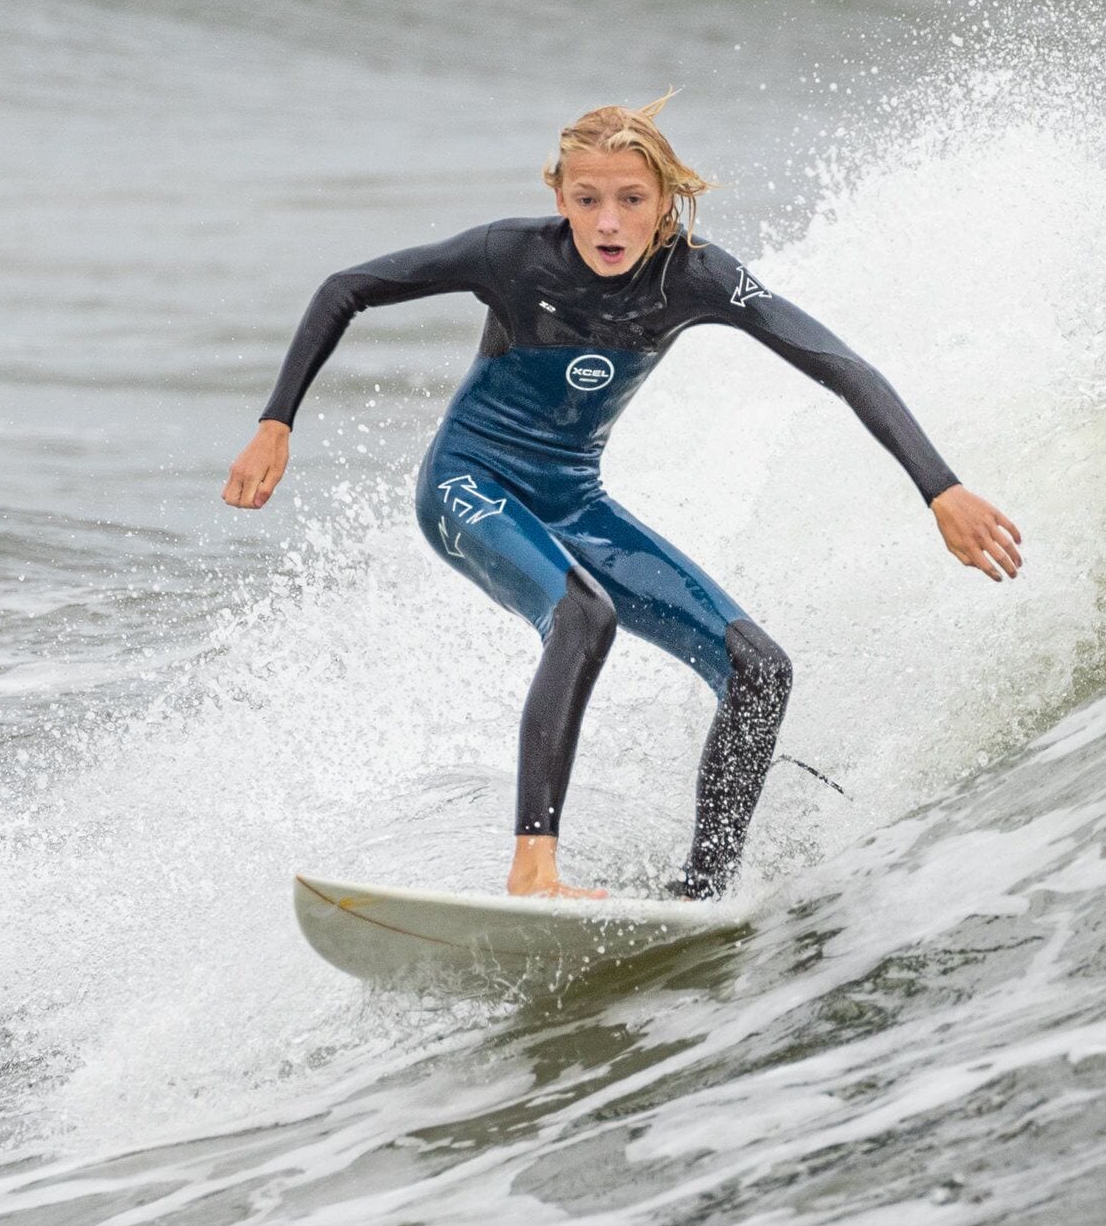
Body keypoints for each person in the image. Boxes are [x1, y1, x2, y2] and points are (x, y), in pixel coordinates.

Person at [224, 100, 1021, 903]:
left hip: (574, 502)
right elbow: (346, 287)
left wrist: (940, 487)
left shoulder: (698, 277)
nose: (608, 223)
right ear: (560, 197)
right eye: (586, 200)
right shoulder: (511, 257)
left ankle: (702, 894)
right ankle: (533, 871)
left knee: (760, 671)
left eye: (631, 201)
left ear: (665, 201)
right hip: (469, 486)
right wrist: (275, 423)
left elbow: (837, 363)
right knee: (584, 614)